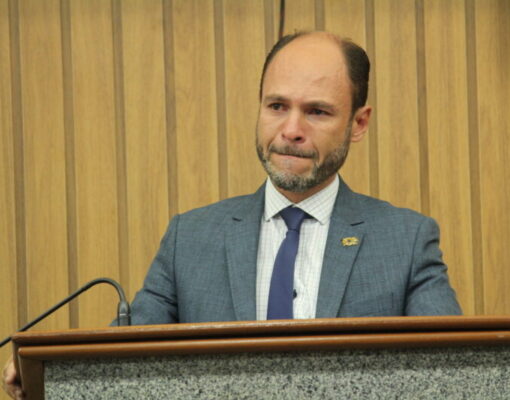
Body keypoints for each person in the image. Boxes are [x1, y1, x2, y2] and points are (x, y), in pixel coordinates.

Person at [2, 31, 461, 398]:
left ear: (358, 124)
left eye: (317, 111)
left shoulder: (405, 239)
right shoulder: (191, 237)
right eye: (277, 106)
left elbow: (453, 378)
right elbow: (122, 360)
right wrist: (47, 371)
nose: (292, 130)